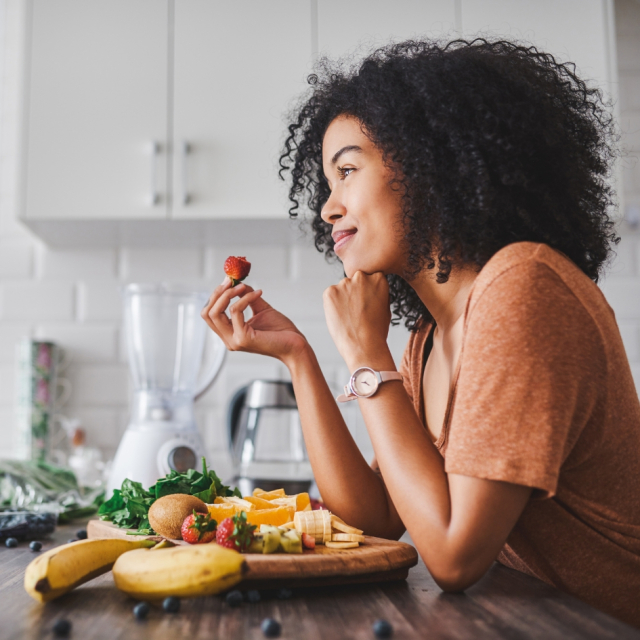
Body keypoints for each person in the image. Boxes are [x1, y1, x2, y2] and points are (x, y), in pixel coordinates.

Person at [202, 39, 640, 627]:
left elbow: (454, 556)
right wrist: (299, 359)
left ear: (429, 166)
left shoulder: (523, 289)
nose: (329, 208)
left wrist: (366, 354)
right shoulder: (428, 338)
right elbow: (377, 517)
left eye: (348, 171)